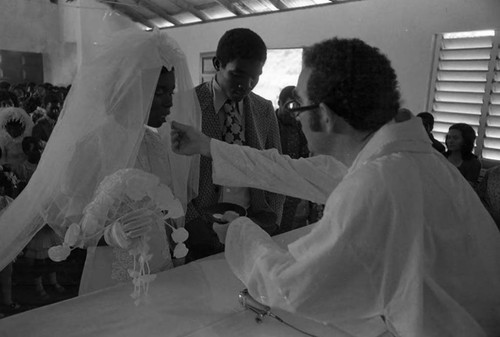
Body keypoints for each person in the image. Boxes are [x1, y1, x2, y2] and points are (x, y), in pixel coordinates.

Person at [172, 37, 500, 337]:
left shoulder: (379, 182)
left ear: (325, 116)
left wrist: (239, 233)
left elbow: (296, 287)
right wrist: (207, 146)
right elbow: (288, 170)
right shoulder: (403, 158)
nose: (295, 119)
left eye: (296, 106)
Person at [0, 28, 201, 296]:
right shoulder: (93, 146)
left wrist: (176, 249)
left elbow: (164, 207)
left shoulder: (154, 143)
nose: (168, 103)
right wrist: (110, 235)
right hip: (114, 270)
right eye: (159, 92)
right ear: (133, 90)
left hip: (159, 263)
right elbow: (73, 223)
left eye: (170, 92)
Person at [185, 28, 284, 261]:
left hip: (254, 226)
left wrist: (273, 218)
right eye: (237, 74)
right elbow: (173, 175)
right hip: (201, 230)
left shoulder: (264, 110)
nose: (247, 85)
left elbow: (277, 168)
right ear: (217, 64)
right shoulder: (188, 105)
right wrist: (192, 224)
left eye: (255, 76)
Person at [275, 85, 310, 233]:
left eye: (297, 106)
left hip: (293, 191)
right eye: (289, 105)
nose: (292, 111)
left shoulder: (299, 125)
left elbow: (305, 156)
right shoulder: (270, 123)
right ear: (280, 103)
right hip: (272, 189)